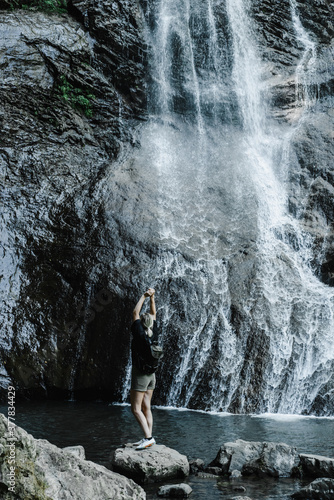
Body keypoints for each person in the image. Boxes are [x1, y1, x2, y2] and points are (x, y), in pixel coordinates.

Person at [130, 288, 158, 450]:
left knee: (135, 408)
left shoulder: (139, 333)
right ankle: (149, 437)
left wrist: (144, 296)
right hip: (151, 375)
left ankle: (148, 437)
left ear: (141, 322)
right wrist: (152, 298)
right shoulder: (154, 331)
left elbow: (135, 312)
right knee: (146, 405)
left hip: (140, 375)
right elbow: (153, 313)